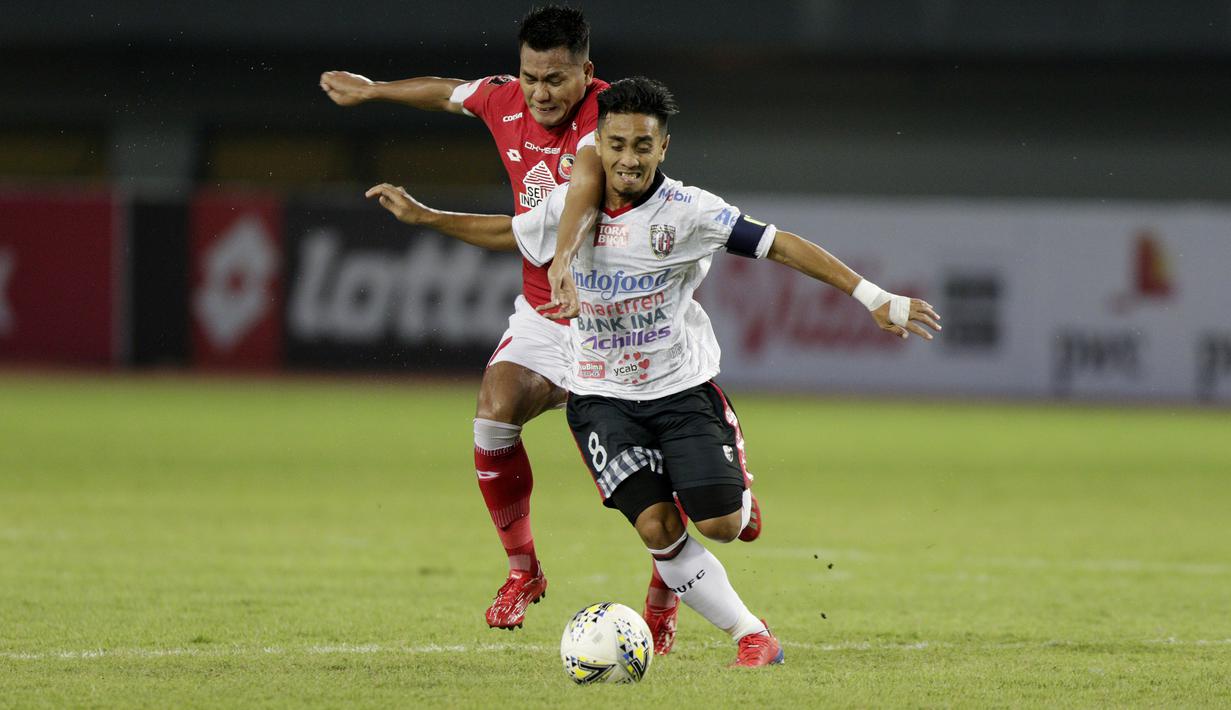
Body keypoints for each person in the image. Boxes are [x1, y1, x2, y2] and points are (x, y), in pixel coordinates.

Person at [364, 76, 942, 666]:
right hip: (600, 399)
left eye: (643, 146)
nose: (628, 159)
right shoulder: (571, 209)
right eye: (616, 144)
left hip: (680, 391)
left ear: (663, 148)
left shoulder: (690, 212)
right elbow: (505, 233)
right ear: (598, 146)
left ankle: (735, 493)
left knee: (720, 523)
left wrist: (875, 297)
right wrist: (426, 216)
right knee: (656, 525)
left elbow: (781, 245)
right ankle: (752, 635)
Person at [319, 7, 702, 648]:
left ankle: (663, 601)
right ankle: (522, 570)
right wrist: (375, 90)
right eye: (531, 77)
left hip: (622, 322)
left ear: (587, 71)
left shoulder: (611, 126)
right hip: (546, 313)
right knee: (494, 410)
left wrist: (550, 254)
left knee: (651, 484)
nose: (542, 92)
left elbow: (569, 207)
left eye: (556, 78)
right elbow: (449, 92)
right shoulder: (507, 100)